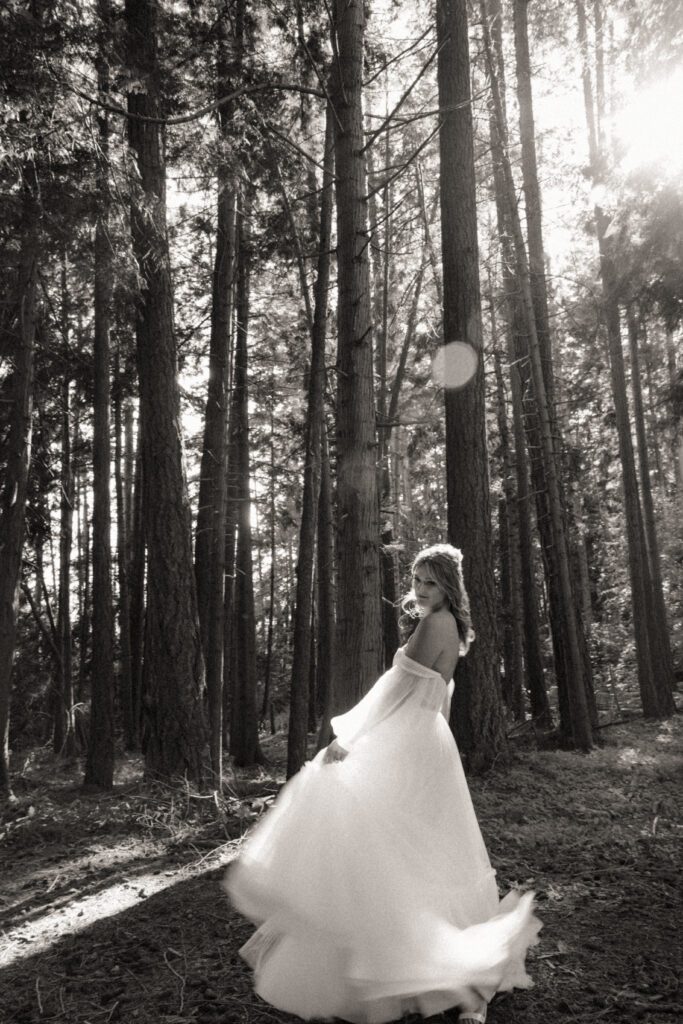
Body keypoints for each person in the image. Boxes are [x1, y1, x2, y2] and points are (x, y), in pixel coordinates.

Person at [224, 543, 541, 1024]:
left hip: (406, 739)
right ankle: (434, 960)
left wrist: (348, 736)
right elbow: (441, 692)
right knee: (423, 846)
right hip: (428, 740)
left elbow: (394, 689)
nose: (419, 589)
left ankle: (409, 958)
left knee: (377, 837)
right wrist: (440, 740)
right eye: (416, 579)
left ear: (448, 586)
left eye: (430, 581)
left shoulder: (434, 624)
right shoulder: (453, 628)